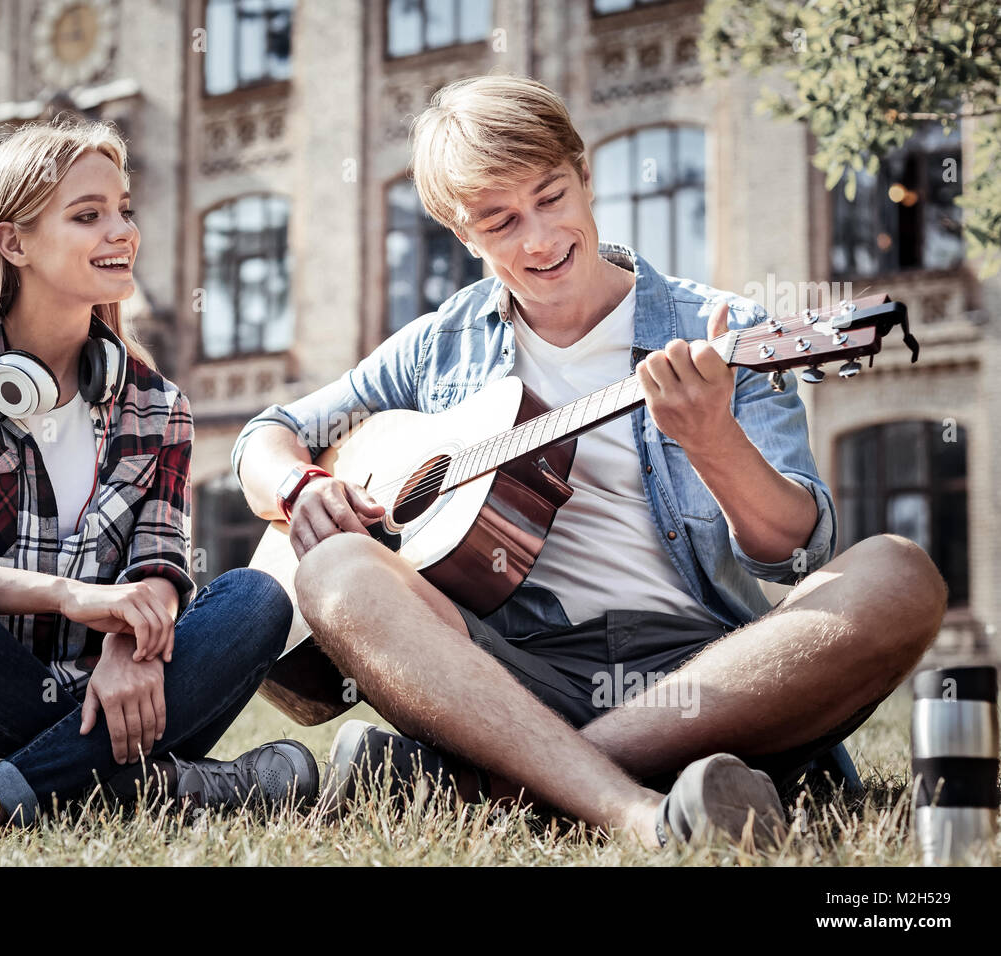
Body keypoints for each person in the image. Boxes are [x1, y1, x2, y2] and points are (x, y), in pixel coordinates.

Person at [232, 75, 947, 849]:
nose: (539, 238)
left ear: (586, 175)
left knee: (900, 575)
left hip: (709, 675)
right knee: (336, 572)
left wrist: (713, 440)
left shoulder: (724, 329)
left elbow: (795, 553)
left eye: (551, 196)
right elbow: (265, 436)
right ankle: (641, 811)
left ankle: (505, 785)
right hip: (509, 679)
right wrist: (300, 485)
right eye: (500, 222)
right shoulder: (442, 344)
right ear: (461, 234)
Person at [0, 116, 315, 844]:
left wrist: (126, 644)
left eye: (124, 209)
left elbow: (157, 568)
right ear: (13, 242)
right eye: (88, 215)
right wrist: (71, 597)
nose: (121, 231)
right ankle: (167, 786)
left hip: (107, 703)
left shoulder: (159, 406)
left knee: (257, 599)